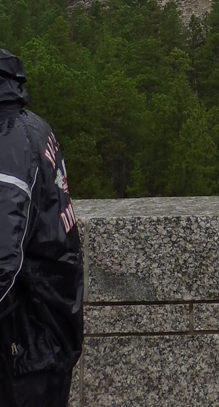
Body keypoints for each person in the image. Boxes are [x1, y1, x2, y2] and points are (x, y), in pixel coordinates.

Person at [0, 50, 84, 407]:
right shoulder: (33, 126)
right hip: (51, 326)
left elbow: (4, 259)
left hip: (25, 345)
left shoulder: (8, 146)